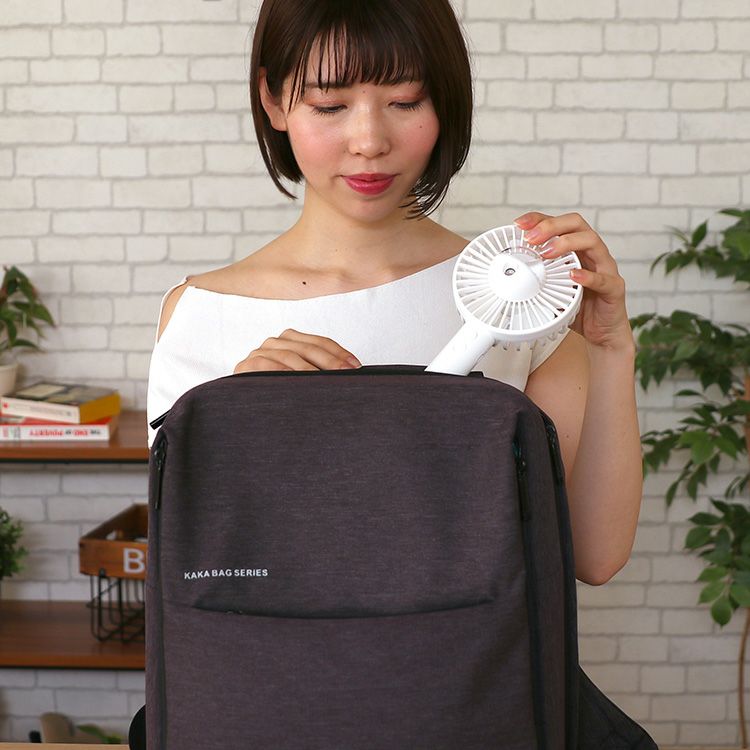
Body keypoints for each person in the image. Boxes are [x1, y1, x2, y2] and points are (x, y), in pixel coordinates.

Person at [146, 0, 643, 587]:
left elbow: (592, 556)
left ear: (444, 102)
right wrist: (241, 420)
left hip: (474, 649)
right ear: (274, 101)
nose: (369, 141)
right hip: (272, 650)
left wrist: (611, 349)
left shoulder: (517, 297)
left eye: (405, 101)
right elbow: (193, 570)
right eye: (329, 105)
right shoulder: (200, 315)